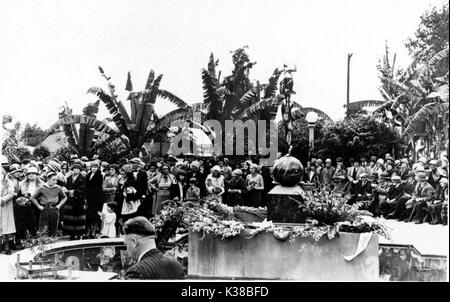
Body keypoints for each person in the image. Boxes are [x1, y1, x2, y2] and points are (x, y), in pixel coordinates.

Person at [30, 172, 67, 237]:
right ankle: (44, 244)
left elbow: (65, 197)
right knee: (43, 228)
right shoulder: (42, 188)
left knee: (54, 228)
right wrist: (38, 206)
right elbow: (33, 197)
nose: (55, 181)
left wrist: (59, 205)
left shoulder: (58, 188)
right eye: (53, 180)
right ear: (48, 179)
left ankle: (53, 243)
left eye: (56, 180)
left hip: (55, 209)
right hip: (45, 209)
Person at [15, 166, 43, 243]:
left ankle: (36, 237)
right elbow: (19, 196)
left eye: (33, 174)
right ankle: (27, 237)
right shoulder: (22, 183)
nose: (31, 175)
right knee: (26, 222)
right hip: (26, 206)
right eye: (29, 174)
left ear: (36, 175)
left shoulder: (41, 183)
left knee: (36, 221)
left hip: (37, 205)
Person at [63, 162, 87, 240]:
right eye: (74, 168)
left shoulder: (83, 178)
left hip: (79, 200)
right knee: (70, 217)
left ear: (80, 170)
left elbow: (82, 189)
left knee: (79, 217)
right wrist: (65, 190)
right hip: (70, 200)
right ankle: (71, 234)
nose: (76, 170)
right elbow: (65, 187)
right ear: (72, 169)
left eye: (77, 169)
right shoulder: (68, 178)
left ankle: (79, 233)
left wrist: (71, 191)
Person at [85, 161, 103, 239]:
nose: (94, 168)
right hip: (89, 197)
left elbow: (99, 187)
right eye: (93, 167)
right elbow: (86, 185)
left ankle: (94, 231)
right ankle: (88, 231)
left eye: (95, 167)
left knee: (95, 215)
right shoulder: (88, 175)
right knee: (88, 215)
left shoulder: (100, 175)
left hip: (96, 197)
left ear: (98, 168)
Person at [1, 167, 16, 254]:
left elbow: (11, 193)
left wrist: (3, 200)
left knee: (6, 226)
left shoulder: (8, 182)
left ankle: (7, 246)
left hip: (5, 206)